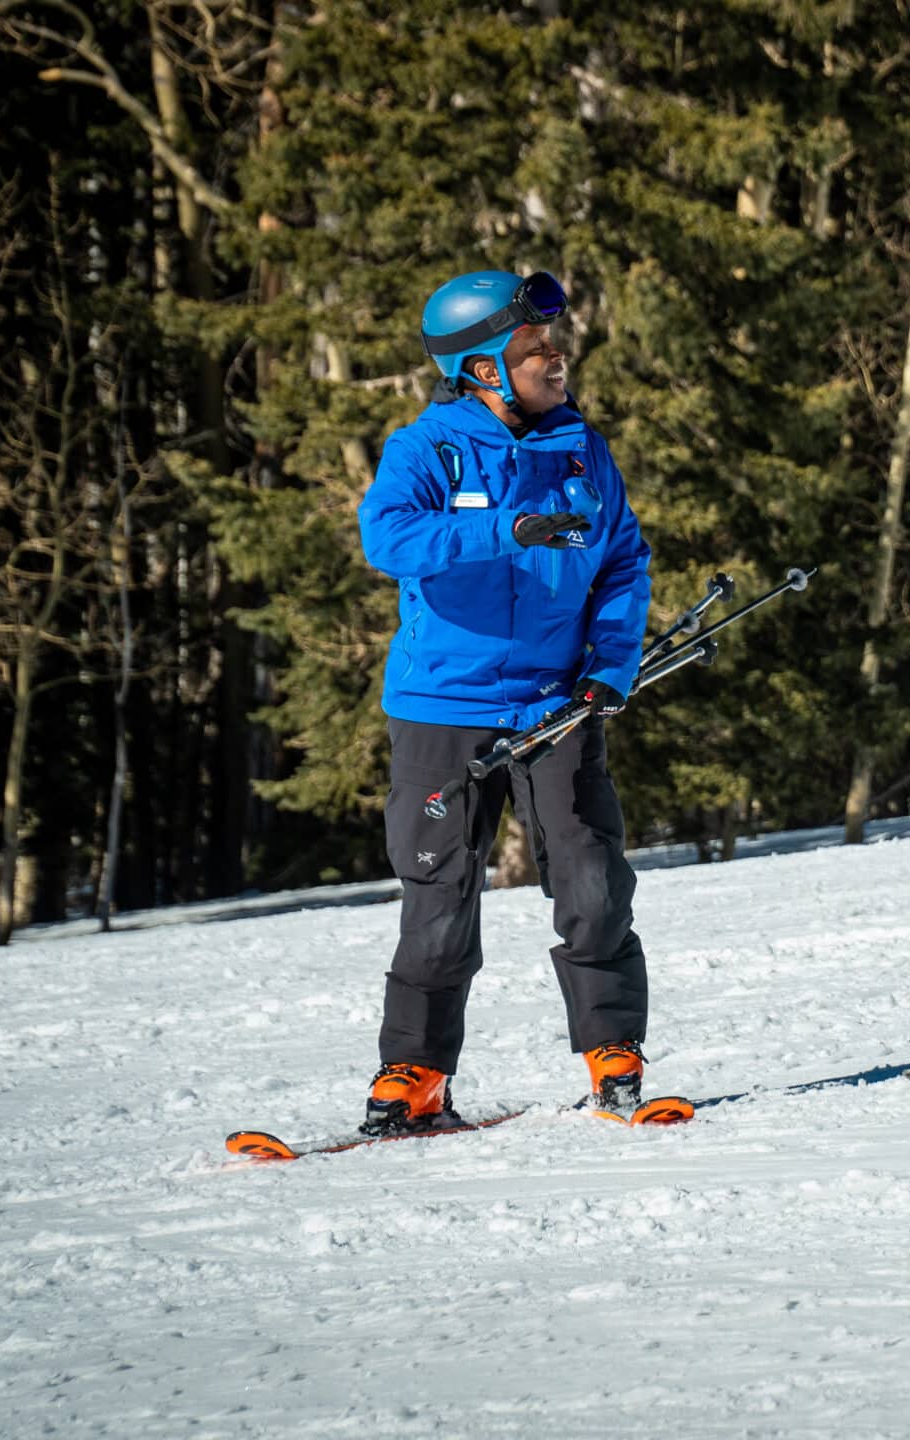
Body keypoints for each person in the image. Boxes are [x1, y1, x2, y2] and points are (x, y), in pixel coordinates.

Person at [351, 269, 659, 1133]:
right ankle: (414, 1073)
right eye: (533, 351)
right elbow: (389, 537)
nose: (555, 361)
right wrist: (505, 529)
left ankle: (614, 1055)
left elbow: (622, 562)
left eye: (552, 347)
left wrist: (610, 665)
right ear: (484, 368)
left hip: (556, 703)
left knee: (592, 879)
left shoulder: (582, 449)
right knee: (438, 895)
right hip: (441, 707)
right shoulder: (426, 449)